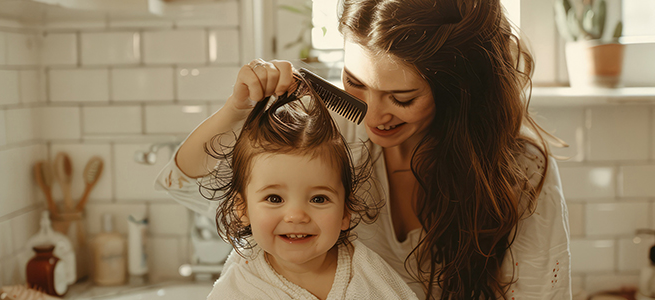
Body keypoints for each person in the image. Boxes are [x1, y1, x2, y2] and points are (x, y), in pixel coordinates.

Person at [155, 0, 571, 298]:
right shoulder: (330, 134)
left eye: (402, 98)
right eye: (354, 83)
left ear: (458, 89)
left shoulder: (518, 171)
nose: (372, 116)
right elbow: (189, 187)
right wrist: (236, 110)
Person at [193, 75, 417, 299]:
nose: (296, 216)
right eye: (274, 198)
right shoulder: (239, 288)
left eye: (318, 199)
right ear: (243, 210)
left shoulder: (370, 277)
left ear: (345, 212)